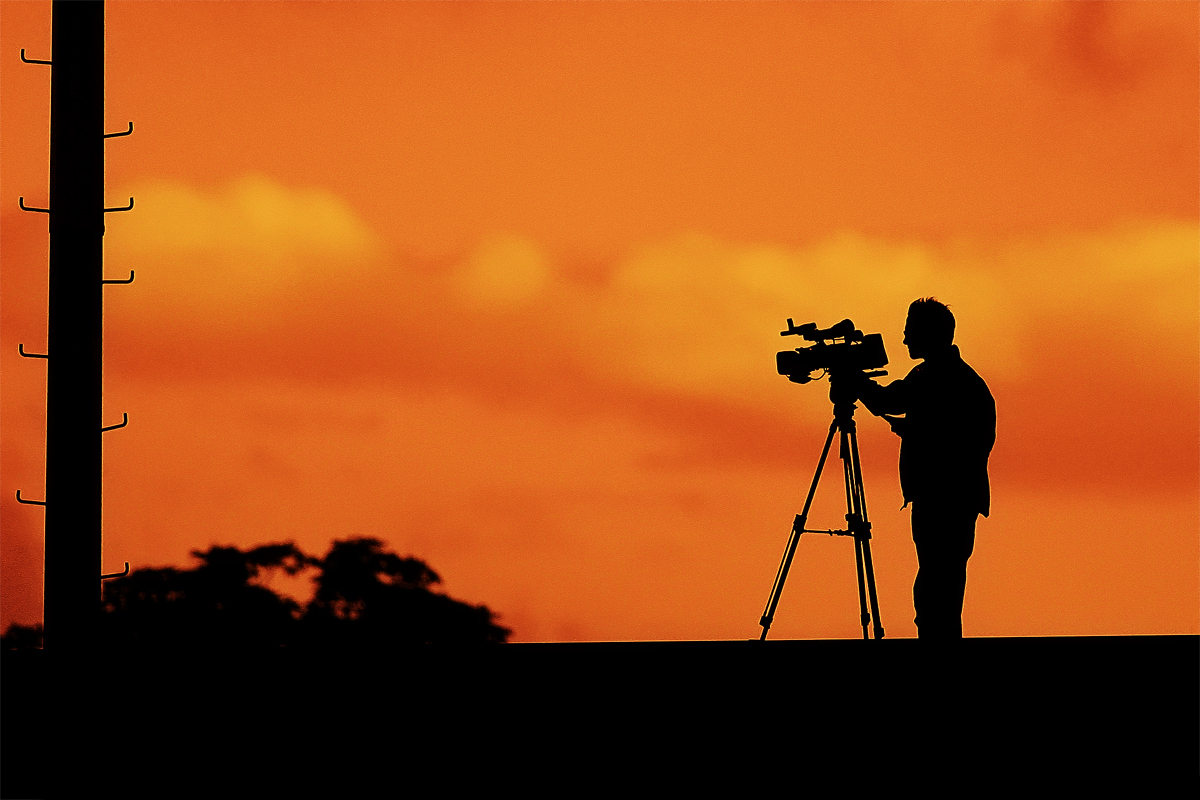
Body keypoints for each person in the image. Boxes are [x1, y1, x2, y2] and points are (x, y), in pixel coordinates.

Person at [848, 298, 996, 639]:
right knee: (940, 584)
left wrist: (854, 381)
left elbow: (889, 401)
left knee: (936, 587)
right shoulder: (948, 376)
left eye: (910, 332)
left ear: (929, 334)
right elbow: (946, 430)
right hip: (952, 499)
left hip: (944, 500)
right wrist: (917, 430)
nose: (904, 339)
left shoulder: (938, 377)